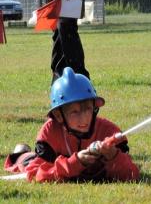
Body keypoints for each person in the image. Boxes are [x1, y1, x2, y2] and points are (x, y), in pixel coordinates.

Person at [4, 67, 140, 182]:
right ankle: (21, 151)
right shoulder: (49, 132)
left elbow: (132, 175)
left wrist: (113, 156)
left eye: (88, 108)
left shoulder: (109, 131)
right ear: (59, 115)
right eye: (75, 112)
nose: (84, 118)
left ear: (94, 107)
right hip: (40, 161)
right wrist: (75, 163)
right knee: (25, 161)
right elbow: (35, 174)